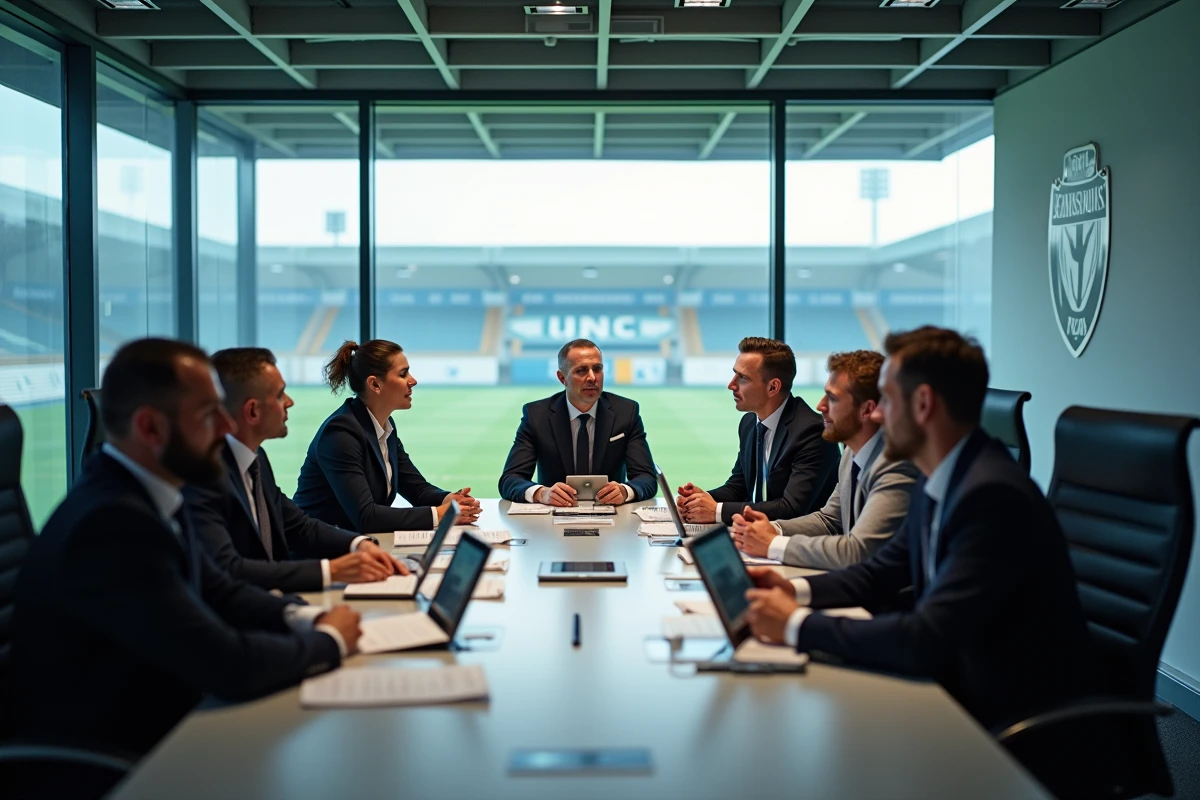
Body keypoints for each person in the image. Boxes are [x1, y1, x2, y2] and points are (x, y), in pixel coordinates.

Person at [7, 338, 360, 763]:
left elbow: (220, 588)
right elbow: (227, 664)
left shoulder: (151, 495)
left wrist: (305, 617)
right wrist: (329, 641)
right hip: (113, 757)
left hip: (164, 717)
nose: (227, 427)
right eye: (210, 413)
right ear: (151, 428)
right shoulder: (114, 524)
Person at [743, 326, 1100, 733]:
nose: (877, 414)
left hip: (1012, 719)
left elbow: (926, 638)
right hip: (960, 684)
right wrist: (792, 591)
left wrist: (796, 625)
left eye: (887, 399)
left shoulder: (991, 496)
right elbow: (880, 571)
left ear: (924, 404)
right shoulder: (943, 478)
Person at [185, 347, 413, 593]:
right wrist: (332, 571)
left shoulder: (256, 459)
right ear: (252, 411)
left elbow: (298, 525)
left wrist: (359, 544)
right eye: (279, 395)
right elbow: (229, 569)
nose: (289, 402)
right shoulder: (204, 477)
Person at [731, 350, 917, 570]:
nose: (820, 406)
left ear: (867, 409)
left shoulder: (897, 466)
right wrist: (773, 529)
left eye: (833, 398)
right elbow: (829, 520)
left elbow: (857, 551)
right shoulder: (850, 453)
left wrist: (772, 544)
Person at [293, 339, 480, 532]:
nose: (413, 381)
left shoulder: (385, 427)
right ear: (375, 384)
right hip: (314, 546)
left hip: (350, 541)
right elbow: (366, 517)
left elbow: (417, 489)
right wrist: (441, 514)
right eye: (403, 374)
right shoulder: (340, 434)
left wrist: (450, 500)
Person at [677, 337, 839, 525]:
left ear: (773, 387)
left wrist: (717, 511)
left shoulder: (812, 432)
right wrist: (699, 501)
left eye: (743, 378)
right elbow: (738, 487)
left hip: (800, 539)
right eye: (734, 375)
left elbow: (791, 508)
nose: (731, 385)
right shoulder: (749, 422)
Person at [498, 338, 656, 506]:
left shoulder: (626, 412)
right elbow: (510, 479)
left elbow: (646, 477)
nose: (592, 377)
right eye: (581, 371)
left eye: (597, 369)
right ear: (562, 378)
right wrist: (542, 493)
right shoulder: (536, 416)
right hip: (553, 515)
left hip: (612, 513)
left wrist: (625, 491)